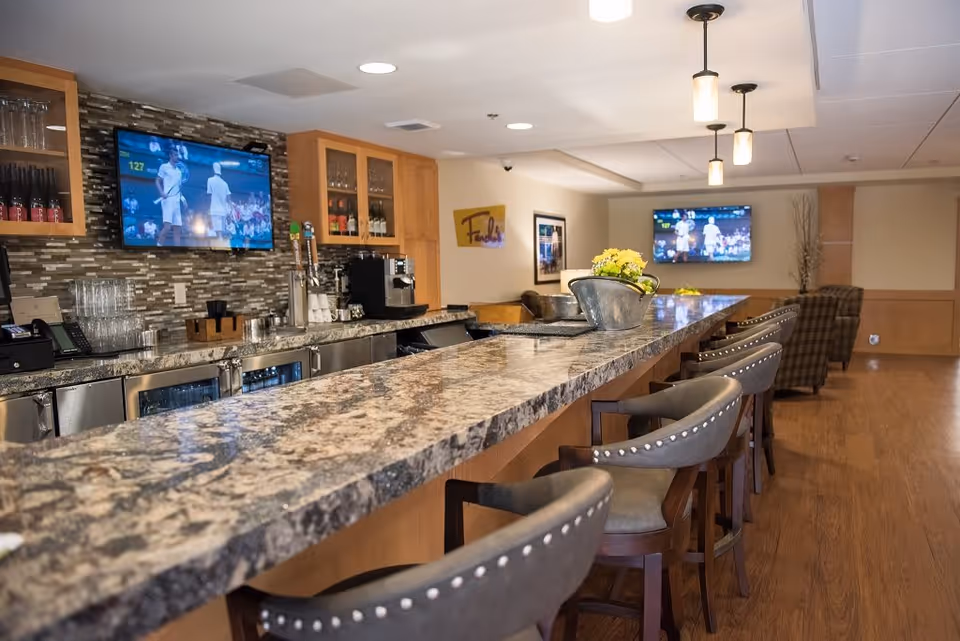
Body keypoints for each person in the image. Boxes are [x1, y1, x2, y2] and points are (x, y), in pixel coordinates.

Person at [156, 145, 185, 246]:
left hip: (177, 202)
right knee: (167, 228)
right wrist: (161, 193)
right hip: (167, 201)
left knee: (178, 229)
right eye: (175, 155)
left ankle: (178, 251)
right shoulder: (164, 167)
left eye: (178, 155)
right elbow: (157, 181)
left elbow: (178, 189)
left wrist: (183, 199)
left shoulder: (179, 172)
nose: (177, 157)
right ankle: (158, 247)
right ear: (171, 156)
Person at [207, 162, 232, 239]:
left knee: (217, 234)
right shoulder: (225, 184)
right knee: (220, 233)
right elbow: (229, 199)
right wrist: (230, 212)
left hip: (214, 210)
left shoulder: (210, 180)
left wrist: (208, 211)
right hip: (223, 212)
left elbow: (209, 196)